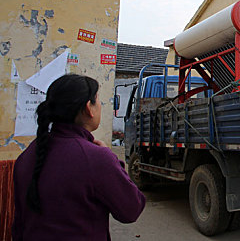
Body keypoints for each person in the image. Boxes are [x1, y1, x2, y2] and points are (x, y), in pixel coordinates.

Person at [12, 74, 146, 240]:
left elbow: (19, 223)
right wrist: (113, 161)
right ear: (88, 108)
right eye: (98, 101)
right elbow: (131, 209)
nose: (101, 107)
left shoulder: (27, 155)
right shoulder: (97, 158)